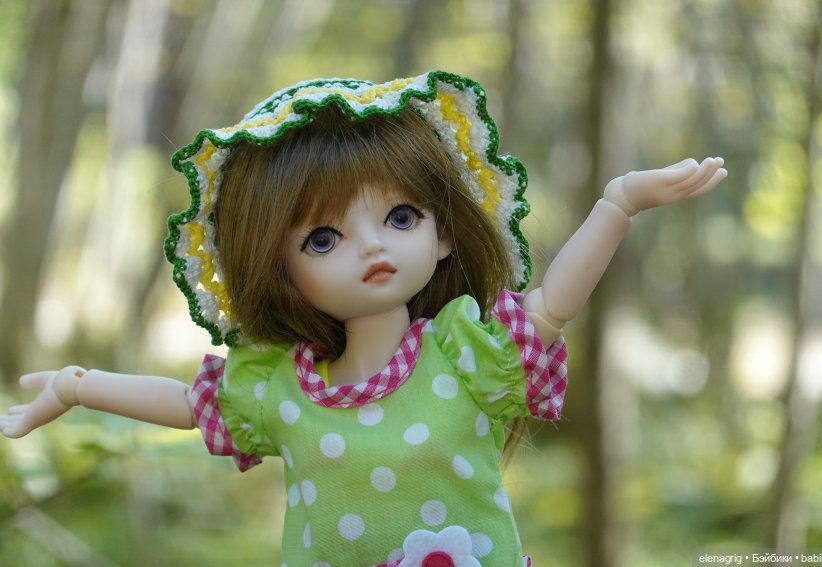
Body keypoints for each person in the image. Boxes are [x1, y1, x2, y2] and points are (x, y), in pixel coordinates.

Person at [0, 71, 726, 567]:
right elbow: (191, 404)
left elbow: (553, 305)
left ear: (445, 233)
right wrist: (75, 385)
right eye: (323, 239)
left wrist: (618, 204)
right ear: (281, 271)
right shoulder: (281, 389)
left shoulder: (465, 356)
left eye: (401, 217)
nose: (373, 247)